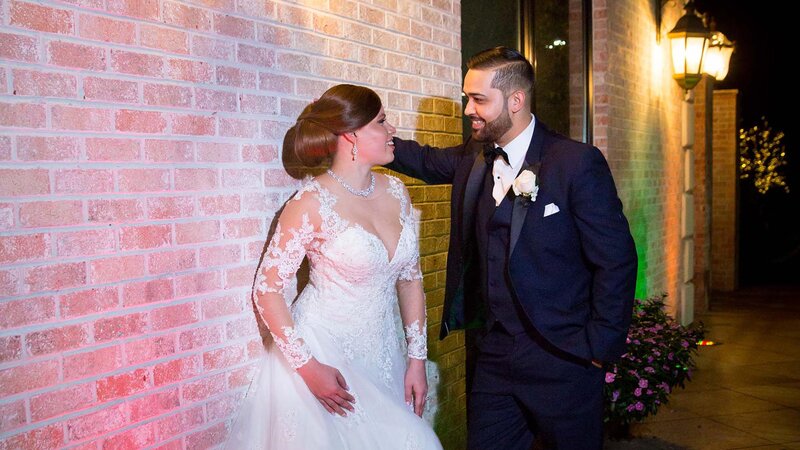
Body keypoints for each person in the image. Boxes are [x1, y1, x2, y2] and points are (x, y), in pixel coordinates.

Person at [387, 46, 638, 449]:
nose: (468, 108)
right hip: (496, 355)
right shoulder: (474, 157)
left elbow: (617, 260)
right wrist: (365, 132)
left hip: (566, 358)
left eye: (479, 99)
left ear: (516, 100)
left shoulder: (575, 162)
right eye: (467, 97)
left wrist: (599, 348)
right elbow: (425, 160)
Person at [226, 84, 442, 449]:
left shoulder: (395, 192)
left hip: (383, 355)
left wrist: (416, 360)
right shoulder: (310, 202)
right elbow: (267, 289)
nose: (392, 132)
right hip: (325, 357)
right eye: (382, 122)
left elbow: (410, 280)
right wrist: (309, 369)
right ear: (351, 134)